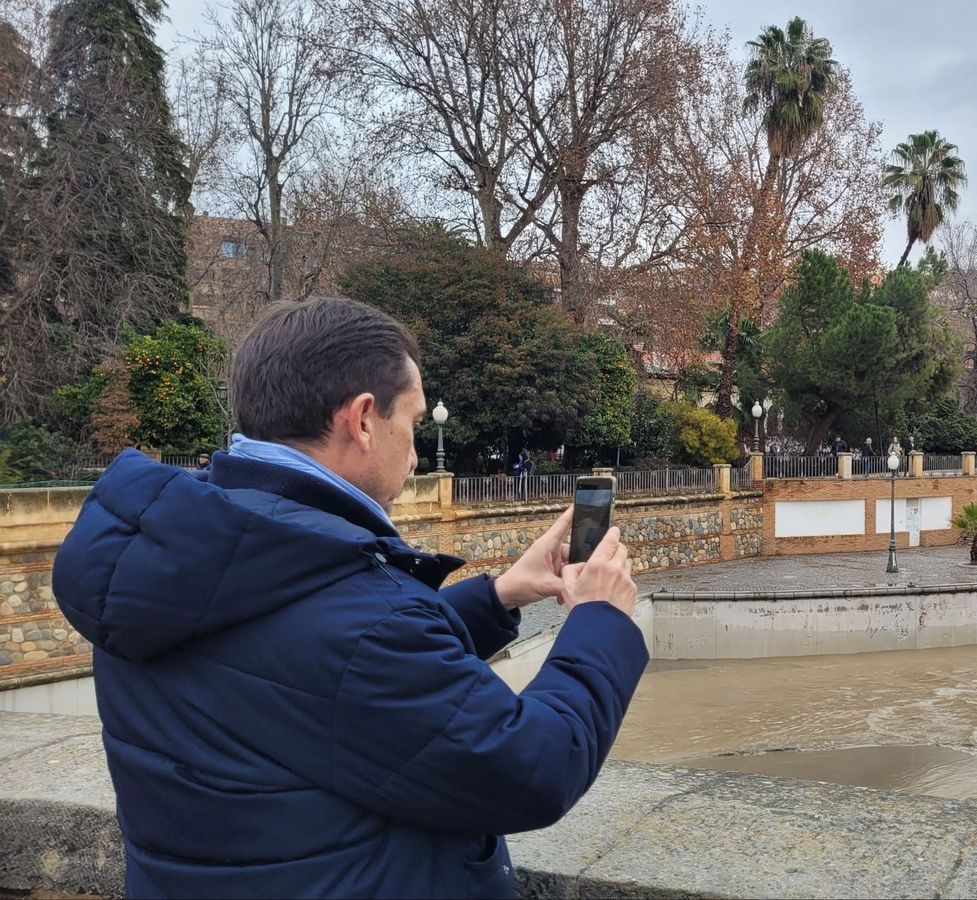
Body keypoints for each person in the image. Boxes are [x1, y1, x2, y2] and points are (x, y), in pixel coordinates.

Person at [53, 298, 646, 899]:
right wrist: (599, 621)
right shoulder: (357, 619)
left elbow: (298, 670)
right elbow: (532, 767)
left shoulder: (173, 555)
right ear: (363, 420)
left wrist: (498, 597)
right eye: (412, 425)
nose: (416, 455)